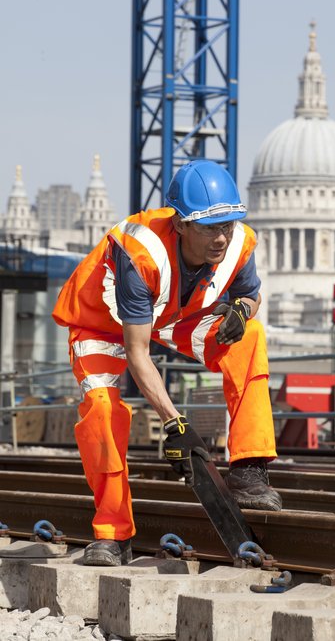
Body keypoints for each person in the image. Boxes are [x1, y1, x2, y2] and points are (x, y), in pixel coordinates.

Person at [52, 159, 281, 567]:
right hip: (101, 322)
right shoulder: (140, 253)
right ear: (180, 225)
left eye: (227, 225)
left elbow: (250, 294)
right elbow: (138, 352)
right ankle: (112, 534)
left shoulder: (239, 242)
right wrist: (174, 422)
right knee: (103, 411)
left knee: (252, 338)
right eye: (210, 228)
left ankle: (249, 468)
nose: (221, 238)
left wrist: (242, 311)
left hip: (171, 312)